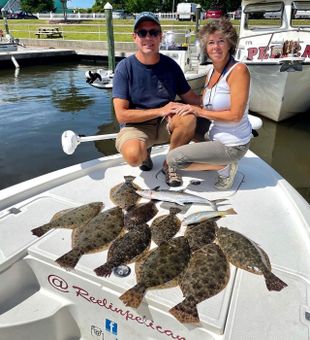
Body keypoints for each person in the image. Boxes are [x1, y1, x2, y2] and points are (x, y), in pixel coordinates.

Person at [112, 12, 200, 187]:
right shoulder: (124, 68)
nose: (148, 37)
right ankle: (145, 154)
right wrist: (160, 110)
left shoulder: (171, 66)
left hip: (165, 123)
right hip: (137, 125)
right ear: (134, 37)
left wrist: (224, 100)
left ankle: (170, 164)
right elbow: (121, 115)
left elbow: (192, 99)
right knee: (133, 157)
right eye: (142, 33)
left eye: (153, 32)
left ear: (160, 36)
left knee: (188, 118)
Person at [166, 18, 253, 190]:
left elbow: (235, 115)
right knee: (184, 120)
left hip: (232, 145)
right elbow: (203, 103)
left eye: (221, 41)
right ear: (206, 47)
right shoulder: (211, 70)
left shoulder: (238, 71)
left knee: (173, 159)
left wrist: (199, 112)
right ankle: (213, 158)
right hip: (215, 132)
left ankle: (224, 166)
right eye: (211, 42)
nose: (216, 47)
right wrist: (179, 106)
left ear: (230, 43)